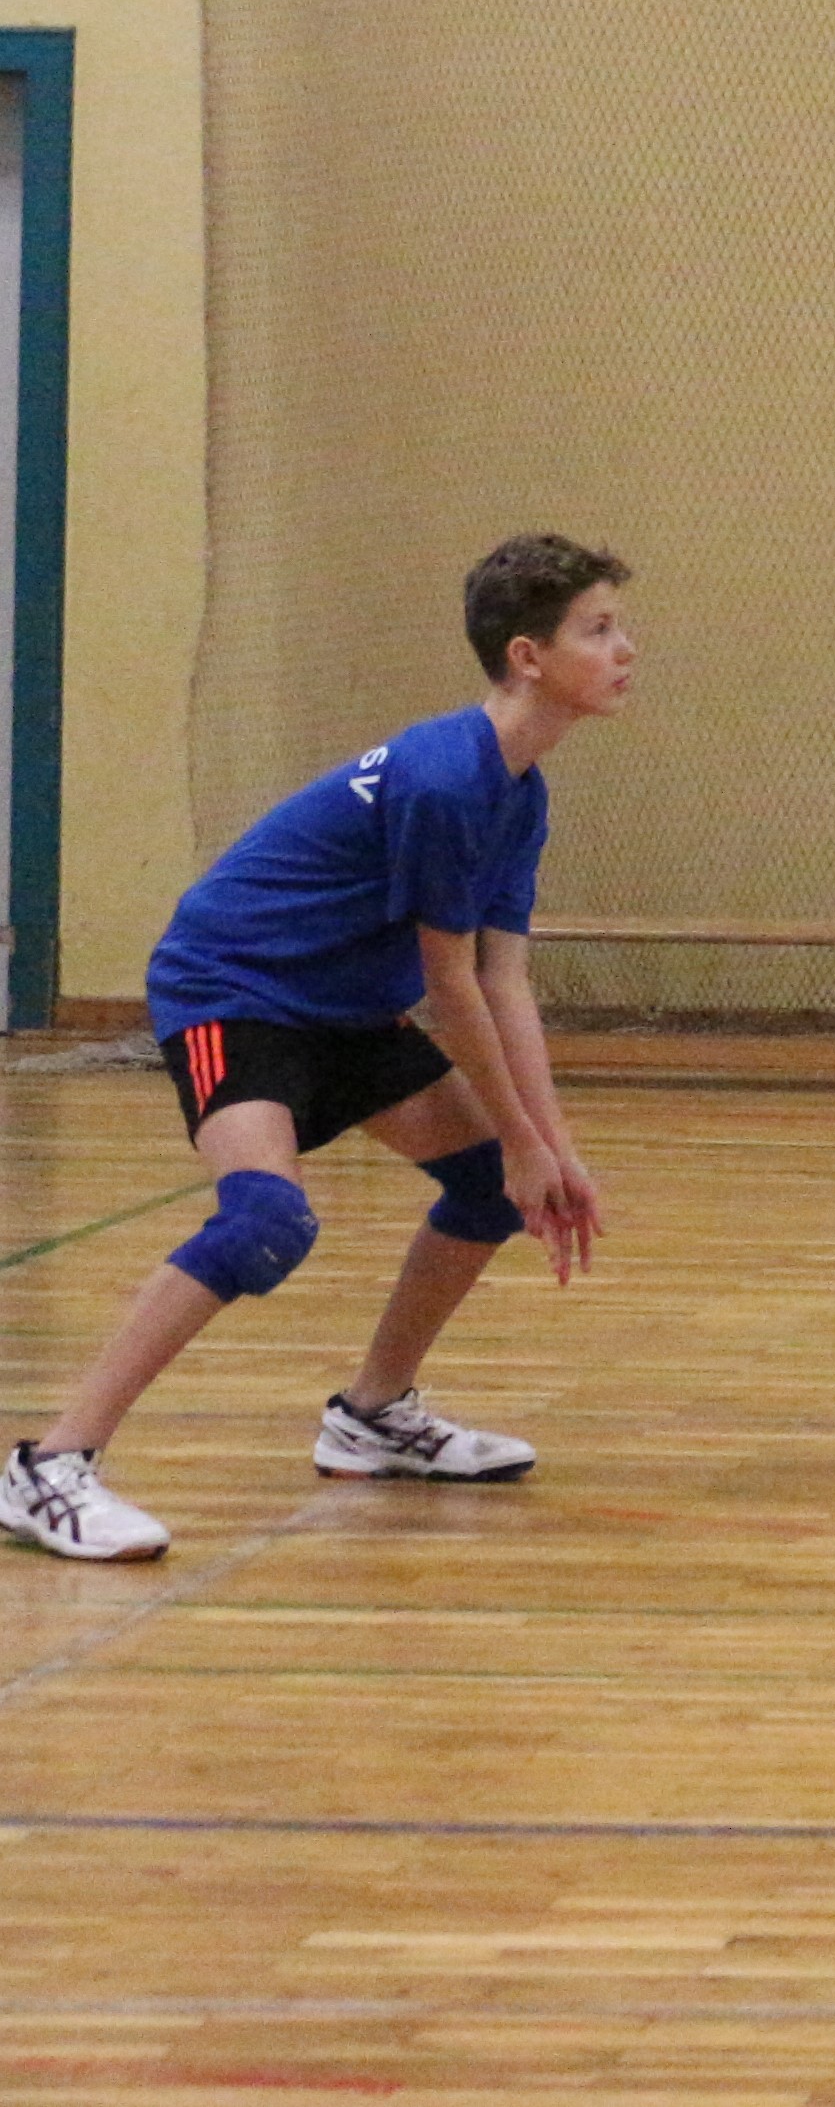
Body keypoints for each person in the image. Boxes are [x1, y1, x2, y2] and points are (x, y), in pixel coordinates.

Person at [0, 536, 634, 1565]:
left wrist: (549, 1148)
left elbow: (505, 978)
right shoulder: (444, 779)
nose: (625, 648)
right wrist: (524, 1140)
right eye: (598, 629)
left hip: (342, 1008)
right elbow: (450, 985)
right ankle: (51, 1464)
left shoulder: (519, 792)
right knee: (266, 1221)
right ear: (527, 655)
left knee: (489, 1187)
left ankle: (372, 1416)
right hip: (235, 990)